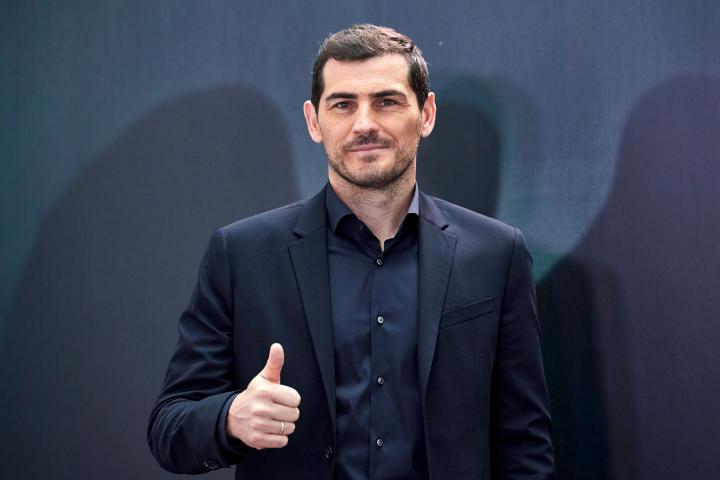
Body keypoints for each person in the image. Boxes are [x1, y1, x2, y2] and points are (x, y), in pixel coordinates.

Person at [147, 24, 555, 479]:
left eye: (386, 101)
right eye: (343, 104)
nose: (364, 124)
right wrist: (230, 419)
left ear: (426, 114)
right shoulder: (242, 254)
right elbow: (170, 427)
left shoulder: (497, 254)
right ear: (313, 121)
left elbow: (524, 440)